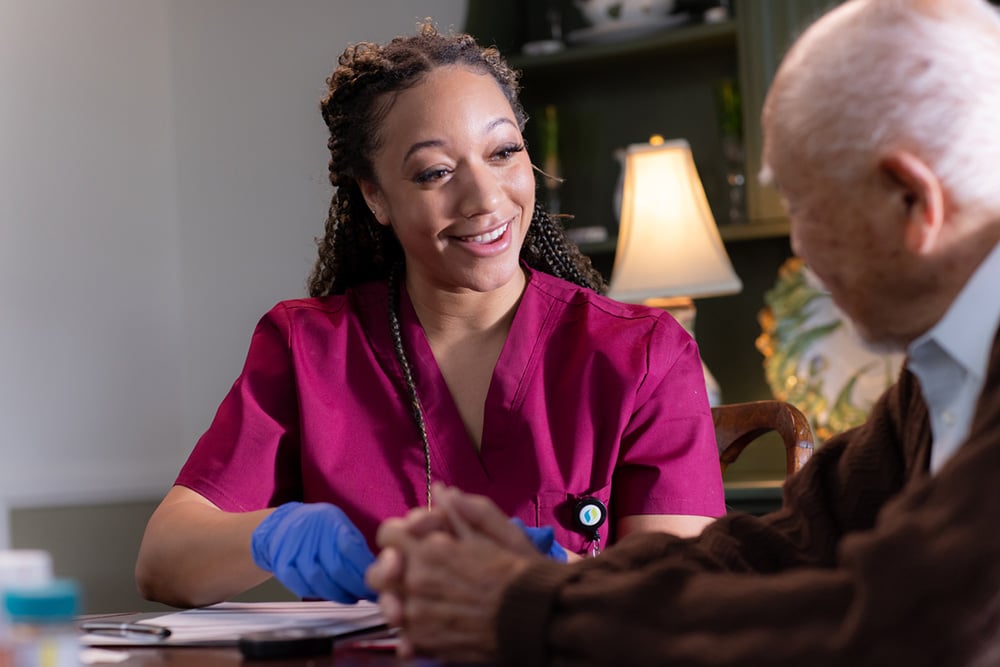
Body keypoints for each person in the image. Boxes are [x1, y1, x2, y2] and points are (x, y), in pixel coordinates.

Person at [367, 0, 1000, 664]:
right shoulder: (938, 378)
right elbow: (779, 548)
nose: (802, 251)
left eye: (802, 206)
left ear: (912, 201)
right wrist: (545, 583)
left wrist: (531, 605)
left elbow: (914, 628)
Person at [133, 22, 726, 609]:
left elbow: (682, 603)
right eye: (435, 172)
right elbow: (164, 564)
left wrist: (550, 577)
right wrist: (273, 535)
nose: (485, 198)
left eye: (503, 153)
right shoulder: (308, 346)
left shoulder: (644, 353)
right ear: (375, 197)